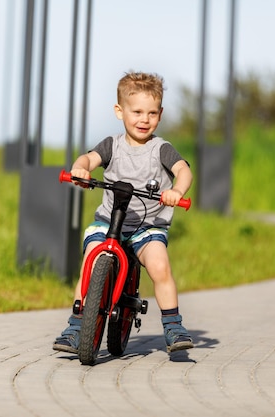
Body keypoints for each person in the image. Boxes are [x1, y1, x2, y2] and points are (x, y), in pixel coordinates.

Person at [52, 71, 194, 354]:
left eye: (152, 113)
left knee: (159, 265)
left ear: (160, 114)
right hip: (109, 221)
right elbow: (88, 158)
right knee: (91, 263)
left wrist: (177, 191)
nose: (144, 119)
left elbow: (183, 170)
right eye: (137, 111)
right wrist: (82, 169)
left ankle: (173, 325)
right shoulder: (111, 145)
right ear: (120, 111)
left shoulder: (161, 149)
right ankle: (76, 325)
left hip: (148, 225)